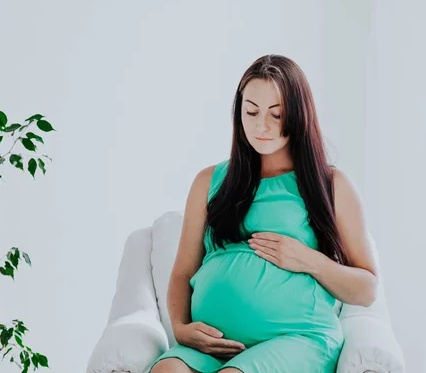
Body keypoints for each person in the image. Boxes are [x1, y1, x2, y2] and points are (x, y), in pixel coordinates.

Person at [149, 54, 379, 373]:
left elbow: (366, 289)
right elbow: (182, 273)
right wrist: (181, 327)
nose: (261, 126)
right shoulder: (209, 181)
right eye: (251, 111)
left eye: (276, 114)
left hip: (297, 339)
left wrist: (308, 260)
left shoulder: (331, 184)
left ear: (298, 115)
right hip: (215, 344)